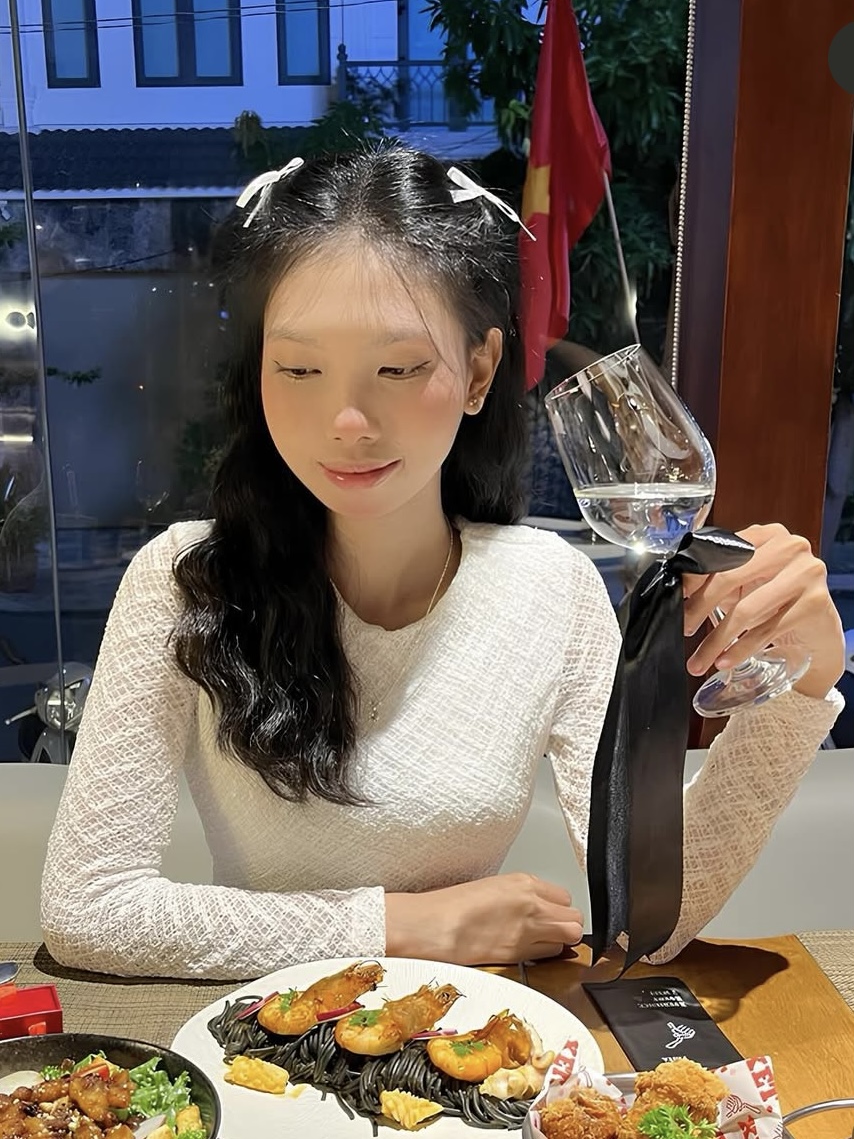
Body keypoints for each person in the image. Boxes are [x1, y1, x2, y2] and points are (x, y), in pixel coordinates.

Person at [41, 146, 844, 980]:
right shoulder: (184, 581)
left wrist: (803, 684)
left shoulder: (550, 590)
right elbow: (87, 907)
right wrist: (409, 924)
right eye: (299, 368)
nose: (346, 420)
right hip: (259, 1037)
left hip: (475, 1038)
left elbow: (652, 916)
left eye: (398, 367)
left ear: (478, 371)